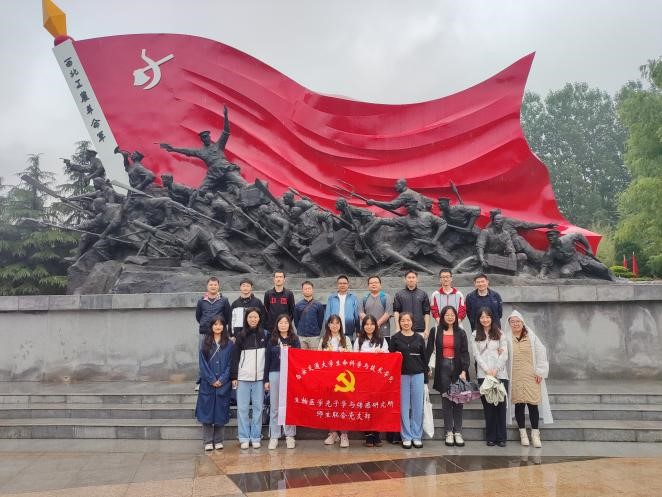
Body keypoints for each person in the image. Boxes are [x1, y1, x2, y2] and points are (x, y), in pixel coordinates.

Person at [506, 310, 553, 448]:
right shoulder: (506, 338)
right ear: (509, 323)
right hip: (515, 375)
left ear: (522, 322)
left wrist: (540, 371)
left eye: (518, 321)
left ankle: (535, 434)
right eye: (512, 322)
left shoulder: (531, 337)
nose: (515, 324)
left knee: (533, 405)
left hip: (531, 375)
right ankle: (523, 433)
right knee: (519, 404)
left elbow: (541, 352)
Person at [426, 306, 470, 447]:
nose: (450, 317)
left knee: (458, 401)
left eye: (452, 315)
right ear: (442, 316)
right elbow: (429, 349)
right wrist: (427, 366)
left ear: (456, 317)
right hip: (442, 367)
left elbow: (465, 352)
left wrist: (464, 370)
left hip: (458, 368)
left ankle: (458, 432)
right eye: (447, 314)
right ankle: (449, 432)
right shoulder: (435, 331)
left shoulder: (461, 332)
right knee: (446, 400)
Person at [389, 312, 428, 449]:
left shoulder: (419, 338)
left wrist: (425, 378)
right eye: (403, 320)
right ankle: (406, 436)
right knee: (404, 407)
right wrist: (395, 355)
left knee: (418, 407)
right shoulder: (395, 338)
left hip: (418, 374)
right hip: (402, 376)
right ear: (399, 322)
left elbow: (424, 358)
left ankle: (417, 436)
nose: (406, 323)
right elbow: (390, 358)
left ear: (412, 322)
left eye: (408, 320)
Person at [231, 308, 269, 449]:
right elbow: (234, 357)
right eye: (250, 317)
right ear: (246, 319)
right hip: (243, 378)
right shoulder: (240, 336)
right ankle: (244, 437)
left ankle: (256, 436)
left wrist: (266, 378)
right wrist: (234, 376)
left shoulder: (265, 334)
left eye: (255, 317)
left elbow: (268, 358)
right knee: (242, 409)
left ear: (259, 318)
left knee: (258, 409)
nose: (253, 319)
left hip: (259, 379)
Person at [195, 315, 233, 451]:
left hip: (224, 384)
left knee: (221, 411)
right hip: (208, 384)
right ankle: (207, 441)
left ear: (224, 326)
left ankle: (218, 440)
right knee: (206, 411)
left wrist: (222, 379)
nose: (218, 327)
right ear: (211, 326)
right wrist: (211, 379)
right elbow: (202, 364)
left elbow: (231, 364)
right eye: (215, 324)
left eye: (220, 324)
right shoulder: (205, 342)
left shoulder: (229, 344)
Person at [471, 307, 509, 447]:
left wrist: (496, 369)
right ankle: (491, 437)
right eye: (482, 317)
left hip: (500, 374)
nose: (485, 319)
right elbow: (476, 355)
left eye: (487, 317)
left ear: (492, 318)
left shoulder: (500, 333)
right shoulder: (475, 334)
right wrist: (487, 370)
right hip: (484, 374)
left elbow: (504, 353)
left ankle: (502, 437)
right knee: (488, 407)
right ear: (478, 319)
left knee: (501, 406)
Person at [264, 314, 301, 450]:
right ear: (277, 325)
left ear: (289, 324)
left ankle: (290, 435)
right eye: (281, 322)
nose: (283, 325)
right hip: (274, 373)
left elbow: (299, 358)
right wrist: (266, 379)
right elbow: (267, 360)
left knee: (288, 406)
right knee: (274, 406)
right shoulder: (272, 340)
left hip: (290, 375)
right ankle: (274, 436)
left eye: (286, 322)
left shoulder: (294, 339)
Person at [353, 314, 388, 447]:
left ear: (375, 326)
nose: (369, 327)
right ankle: (368, 435)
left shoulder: (382, 340)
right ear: (363, 326)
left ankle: (376, 433)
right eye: (366, 324)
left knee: (376, 406)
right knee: (365, 405)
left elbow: (388, 357)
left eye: (372, 324)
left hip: (378, 379)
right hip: (363, 379)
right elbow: (354, 358)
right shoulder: (359, 340)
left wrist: (381, 353)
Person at [319, 314, 351, 448]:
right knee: (330, 405)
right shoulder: (324, 339)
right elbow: (318, 359)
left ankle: (344, 434)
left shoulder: (346, 339)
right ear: (328, 325)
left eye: (337, 323)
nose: (334, 325)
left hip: (343, 379)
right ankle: (332, 433)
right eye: (332, 323)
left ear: (340, 325)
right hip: (328, 378)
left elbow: (353, 358)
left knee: (343, 405)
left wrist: (345, 353)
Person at [195, 277, 231, 391]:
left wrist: (219, 327)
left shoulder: (224, 300)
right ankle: (201, 380)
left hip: (219, 333)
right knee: (203, 356)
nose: (213, 287)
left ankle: (220, 379)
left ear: (218, 286)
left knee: (219, 357)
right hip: (205, 332)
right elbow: (198, 316)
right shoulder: (201, 301)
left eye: (215, 285)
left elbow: (228, 317)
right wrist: (205, 324)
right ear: (207, 286)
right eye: (211, 285)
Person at [393, 270, 431, 338]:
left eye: (413, 277)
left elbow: (427, 313)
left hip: (420, 329)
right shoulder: (399, 294)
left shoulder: (423, 294)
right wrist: (397, 327)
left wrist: (427, 329)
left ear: (417, 279)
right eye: (409, 277)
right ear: (405, 279)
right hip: (404, 329)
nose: (411, 280)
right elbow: (396, 311)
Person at [323, 275, 361, 340]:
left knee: (348, 346)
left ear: (348, 285)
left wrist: (358, 330)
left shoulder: (353, 298)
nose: (342, 285)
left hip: (349, 331)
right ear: (337, 285)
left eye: (344, 283)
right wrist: (327, 329)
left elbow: (356, 316)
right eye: (340, 283)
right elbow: (327, 315)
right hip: (334, 331)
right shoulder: (331, 298)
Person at [359, 275, 393, 341]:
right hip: (368, 332)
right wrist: (371, 325)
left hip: (383, 332)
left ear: (380, 285)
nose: (373, 284)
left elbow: (387, 314)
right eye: (371, 283)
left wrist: (376, 325)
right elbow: (361, 313)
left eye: (376, 282)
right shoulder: (364, 298)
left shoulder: (386, 297)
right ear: (368, 286)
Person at [293, 280, 325, 350]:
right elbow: (296, 321)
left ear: (312, 290)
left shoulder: (318, 305)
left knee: (314, 356)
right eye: (305, 289)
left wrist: (315, 330)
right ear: (302, 290)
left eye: (309, 288)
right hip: (301, 336)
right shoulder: (298, 305)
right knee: (302, 355)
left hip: (314, 336)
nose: (307, 290)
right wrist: (300, 330)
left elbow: (320, 320)